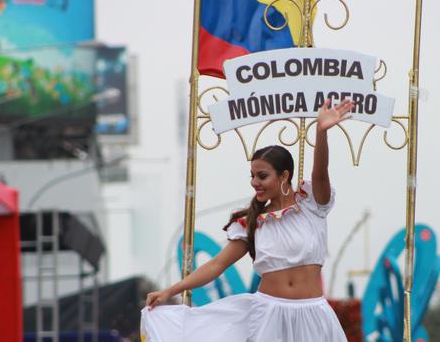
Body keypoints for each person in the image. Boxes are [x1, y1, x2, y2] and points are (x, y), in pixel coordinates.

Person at [141, 99, 354, 341]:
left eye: (262, 176)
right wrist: (171, 290)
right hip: (268, 315)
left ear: (284, 176)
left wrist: (321, 133)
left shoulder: (312, 206)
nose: (255, 182)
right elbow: (216, 265)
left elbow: (320, 173)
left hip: (313, 315)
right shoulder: (251, 222)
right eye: (252, 176)